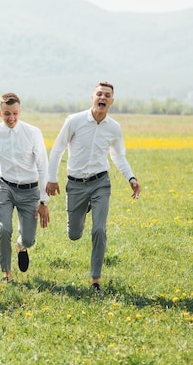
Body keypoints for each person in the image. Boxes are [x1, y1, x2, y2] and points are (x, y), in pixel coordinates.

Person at [46, 81, 141, 294]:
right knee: (74, 234)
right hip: (76, 184)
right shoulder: (74, 121)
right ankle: (84, 207)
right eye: (99, 94)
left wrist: (131, 177)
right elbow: (57, 149)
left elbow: (118, 155)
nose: (103, 98)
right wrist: (51, 178)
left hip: (100, 183)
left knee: (99, 229)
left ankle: (95, 279)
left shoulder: (114, 128)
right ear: (92, 98)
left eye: (107, 95)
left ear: (111, 101)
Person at [0, 93, 50, 282]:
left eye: (15, 114)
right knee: (3, 230)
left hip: (30, 190)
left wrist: (44, 200)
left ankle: (21, 246)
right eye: (6, 114)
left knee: (28, 239)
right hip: (6, 188)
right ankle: (6, 274)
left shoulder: (33, 132)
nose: (11, 118)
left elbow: (43, 166)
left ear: (20, 111)